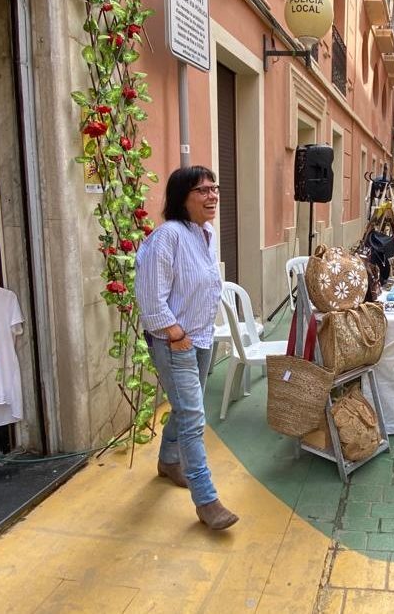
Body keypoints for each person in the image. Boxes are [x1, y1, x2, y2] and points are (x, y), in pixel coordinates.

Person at [136, 165, 239, 531]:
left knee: (184, 410)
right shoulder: (167, 237)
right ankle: (207, 501)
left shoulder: (205, 233)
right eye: (203, 190)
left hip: (200, 338)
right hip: (174, 341)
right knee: (194, 418)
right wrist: (176, 334)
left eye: (215, 188)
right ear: (183, 197)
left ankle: (168, 461)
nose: (212, 195)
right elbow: (151, 300)